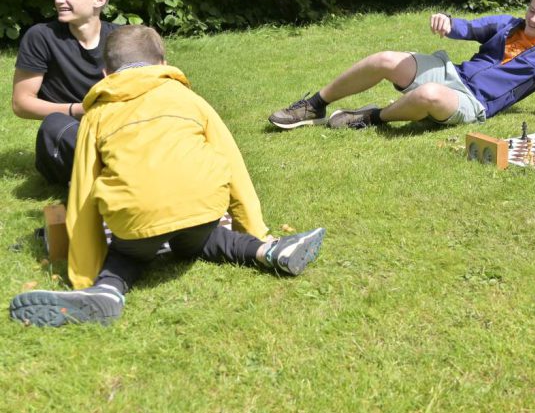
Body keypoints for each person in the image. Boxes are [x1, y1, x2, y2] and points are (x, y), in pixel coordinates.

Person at [9, 26, 325, 327]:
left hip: (136, 222)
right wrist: (257, 232)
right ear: (162, 64)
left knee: (127, 251)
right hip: (202, 210)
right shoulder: (191, 99)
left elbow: (84, 193)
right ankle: (268, 251)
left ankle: (105, 289)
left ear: (106, 74)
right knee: (206, 238)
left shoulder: (97, 116)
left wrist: (84, 275)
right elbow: (234, 168)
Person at [268, 0, 535, 130]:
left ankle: (371, 117)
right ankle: (314, 105)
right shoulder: (507, 24)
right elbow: (468, 27)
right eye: (531, 10)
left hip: (474, 102)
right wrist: (447, 23)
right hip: (453, 73)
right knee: (385, 59)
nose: (533, 19)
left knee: (429, 95)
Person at [12, 0, 119, 185]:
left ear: (99, 0)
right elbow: (22, 103)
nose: (59, 0)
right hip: (72, 132)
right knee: (54, 126)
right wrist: (78, 110)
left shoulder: (123, 39)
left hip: (117, 127)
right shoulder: (41, 37)